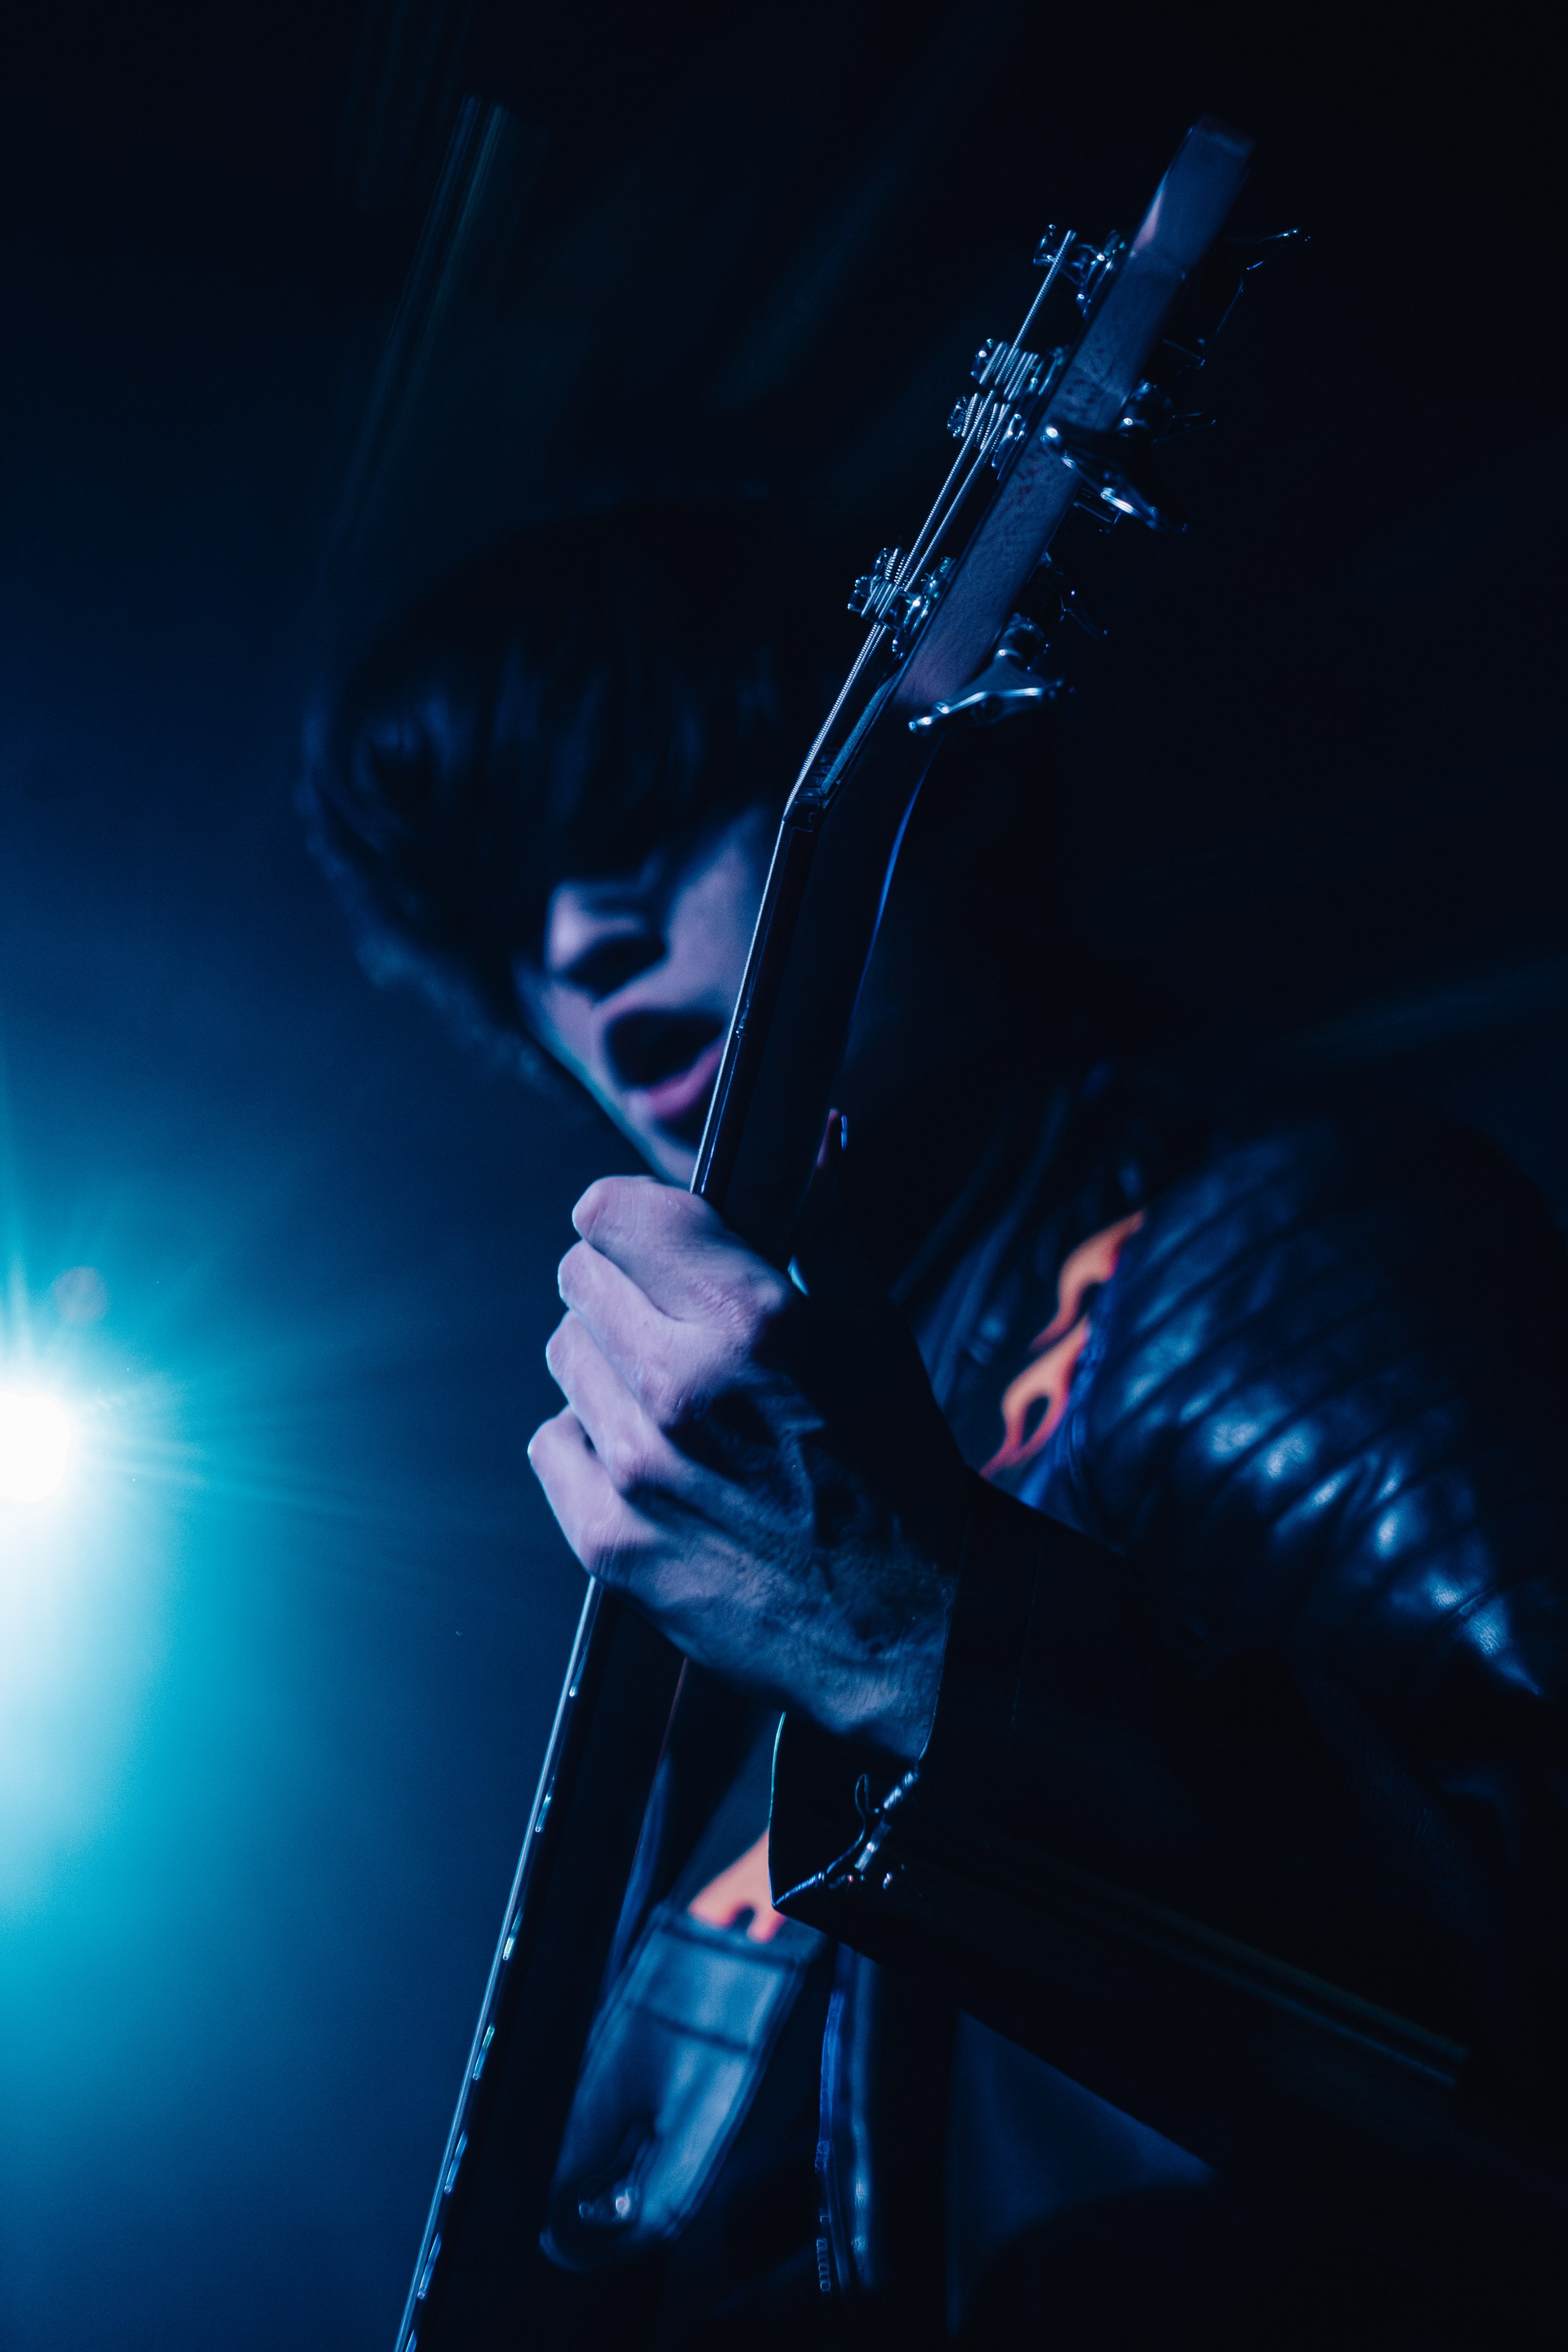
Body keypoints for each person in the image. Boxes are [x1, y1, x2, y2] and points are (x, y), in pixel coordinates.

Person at [303, 501, 1568, 2347]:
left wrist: (913, 1636)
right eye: (512, 920)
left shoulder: (1290, 1254)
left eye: (642, 819)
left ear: (932, 787)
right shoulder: (737, 1568)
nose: (580, 940)